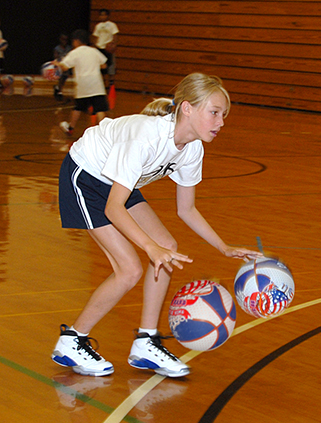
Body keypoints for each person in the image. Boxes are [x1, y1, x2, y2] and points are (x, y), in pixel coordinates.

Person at [51, 72, 263, 378]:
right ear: (187, 108)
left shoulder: (192, 149)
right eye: (214, 113)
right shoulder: (146, 137)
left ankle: (145, 342)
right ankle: (72, 340)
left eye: (223, 115)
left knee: (168, 248)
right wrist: (149, 246)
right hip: (84, 176)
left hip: (116, 181)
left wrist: (224, 248)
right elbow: (113, 207)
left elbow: (186, 209)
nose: (221, 122)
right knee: (130, 269)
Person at [55, 29, 109, 136]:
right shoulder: (93, 51)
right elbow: (104, 65)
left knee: (78, 107)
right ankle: (104, 132)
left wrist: (57, 64)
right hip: (96, 84)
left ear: (76, 41)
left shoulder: (74, 53)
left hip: (82, 85)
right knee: (99, 109)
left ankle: (70, 128)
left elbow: (65, 67)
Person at [91, 9, 119, 89]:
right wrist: (95, 46)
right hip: (100, 48)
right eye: (101, 15)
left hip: (108, 48)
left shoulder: (112, 25)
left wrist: (114, 44)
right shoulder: (98, 26)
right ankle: (102, 86)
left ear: (107, 16)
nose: (103, 17)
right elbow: (95, 36)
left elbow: (115, 35)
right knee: (101, 69)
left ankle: (111, 86)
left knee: (110, 68)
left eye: (104, 15)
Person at [53, 33, 73, 101]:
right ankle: (59, 91)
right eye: (63, 40)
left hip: (66, 65)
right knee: (61, 78)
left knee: (64, 78)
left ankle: (57, 88)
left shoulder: (69, 48)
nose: (64, 41)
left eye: (66, 40)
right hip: (60, 65)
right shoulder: (57, 48)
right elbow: (56, 57)